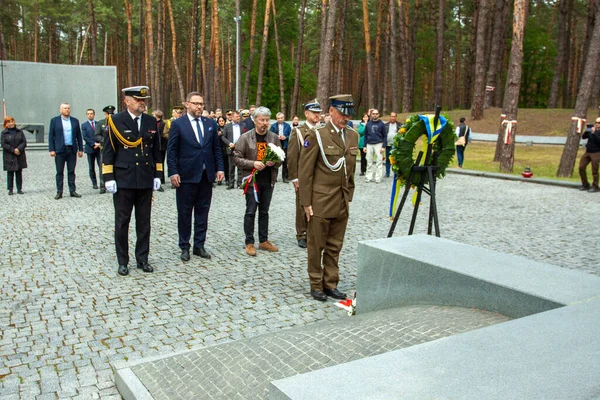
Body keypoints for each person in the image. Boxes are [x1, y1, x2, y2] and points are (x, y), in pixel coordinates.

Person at [299, 94, 358, 302]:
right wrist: (306, 203)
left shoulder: (352, 135)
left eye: (348, 114)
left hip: (341, 200)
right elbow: (305, 172)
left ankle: (330, 283)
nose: (345, 118)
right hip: (320, 200)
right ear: (331, 111)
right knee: (317, 245)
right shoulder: (317, 135)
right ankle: (316, 284)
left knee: (335, 245)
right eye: (342, 113)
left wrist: (349, 193)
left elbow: (350, 169)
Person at [102, 86, 162, 276]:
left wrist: (158, 175)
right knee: (122, 222)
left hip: (144, 178)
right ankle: (123, 261)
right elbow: (108, 151)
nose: (142, 103)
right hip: (123, 180)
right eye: (138, 100)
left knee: (144, 222)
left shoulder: (151, 121)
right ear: (127, 101)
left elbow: (156, 150)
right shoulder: (115, 120)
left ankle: (142, 259)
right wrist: (108, 177)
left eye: (144, 100)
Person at [167, 92, 225, 262]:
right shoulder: (178, 124)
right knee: (184, 213)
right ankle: (184, 246)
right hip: (186, 177)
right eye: (195, 103)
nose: (199, 107)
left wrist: (219, 168)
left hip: (206, 176)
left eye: (201, 103)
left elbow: (216, 148)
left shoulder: (210, 123)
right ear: (187, 104)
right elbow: (172, 151)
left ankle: (199, 245)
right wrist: (173, 172)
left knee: (202, 212)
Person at [233, 106, 281, 256]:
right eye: (261, 120)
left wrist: (275, 162)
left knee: (264, 212)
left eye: (267, 120)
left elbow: (281, 158)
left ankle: (264, 241)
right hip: (252, 181)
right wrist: (252, 163)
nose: (264, 123)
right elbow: (236, 158)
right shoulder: (245, 137)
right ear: (254, 120)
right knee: (250, 211)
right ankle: (249, 242)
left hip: (268, 180)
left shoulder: (274, 137)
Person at [288, 99, 322, 248]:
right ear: (306, 113)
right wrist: (295, 177)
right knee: (302, 204)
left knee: (317, 204)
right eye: (314, 113)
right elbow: (292, 156)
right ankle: (301, 234)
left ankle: (313, 232)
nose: (317, 116)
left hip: (319, 176)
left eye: (319, 113)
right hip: (303, 176)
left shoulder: (322, 130)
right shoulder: (298, 132)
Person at [49, 103, 84, 199]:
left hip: (71, 150)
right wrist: (51, 149)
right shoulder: (55, 121)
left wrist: (80, 149)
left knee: (71, 171)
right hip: (60, 150)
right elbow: (51, 136)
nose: (67, 110)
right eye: (65, 108)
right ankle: (59, 192)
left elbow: (79, 136)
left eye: (68, 108)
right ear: (60, 110)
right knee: (59, 172)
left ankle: (72, 190)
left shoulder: (75, 121)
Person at [2, 116, 27, 195]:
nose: (11, 123)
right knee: (10, 173)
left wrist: (19, 149)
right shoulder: (4, 133)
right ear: (6, 124)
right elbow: (3, 144)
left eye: (12, 121)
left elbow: (24, 142)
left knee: (19, 172)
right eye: (9, 122)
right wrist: (13, 150)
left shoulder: (20, 132)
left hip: (19, 154)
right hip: (9, 155)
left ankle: (19, 188)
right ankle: (10, 189)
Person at [94, 105, 116, 194]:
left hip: (115, 149)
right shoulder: (101, 123)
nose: (110, 115)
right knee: (103, 167)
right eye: (109, 114)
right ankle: (103, 186)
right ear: (105, 114)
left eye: (112, 114)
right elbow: (97, 135)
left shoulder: (117, 122)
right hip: (105, 149)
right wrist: (106, 141)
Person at [222, 110, 245, 189]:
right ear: (232, 117)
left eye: (239, 116)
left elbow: (246, 136)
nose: (238, 118)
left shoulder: (243, 125)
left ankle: (240, 183)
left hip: (240, 149)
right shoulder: (227, 126)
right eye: (237, 116)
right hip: (231, 148)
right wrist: (229, 143)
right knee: (231, 167)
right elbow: (223, 137)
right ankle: (231, 183)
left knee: (240, 167)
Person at [363, 108, 386, 183]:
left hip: (378, 144)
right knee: (369, 161)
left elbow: (384, 136)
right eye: (373, 114)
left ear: (378, 115)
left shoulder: (382, 124)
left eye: (376, 114)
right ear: (371, 115)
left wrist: (383, 146)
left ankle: (378, 177)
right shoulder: (368, 124)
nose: (375, 115)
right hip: (369, 144)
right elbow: (365, 135)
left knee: (379, 161)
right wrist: (364, 146)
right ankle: (368, 177)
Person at [81, 108, 101, 189]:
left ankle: (102, 183)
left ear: (94, 114)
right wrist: (93, 144)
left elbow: (101, 134)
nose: (90, 115)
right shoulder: (84, 125)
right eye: (88, 113)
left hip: (99, 148)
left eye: (91, 113)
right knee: (91, 167)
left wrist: (99, 143)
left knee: (101, 166)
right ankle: (94, 183)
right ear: (86, 115)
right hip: (90, 148)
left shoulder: (98, 124)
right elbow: (85, 137)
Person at [579, 118, 600, 192]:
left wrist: (594, 134)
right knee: (581, 167)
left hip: (596, 153)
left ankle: (595, 186)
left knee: (594, 170)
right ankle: (585, 184)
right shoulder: (592, 130)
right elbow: (584, 137)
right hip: (588, 152)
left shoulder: (596, 132)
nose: (597, 124)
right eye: (596, 122)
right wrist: (587, 130)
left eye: (599, 123)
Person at [270, 112, 291, 183]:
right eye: (278, 118)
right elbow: (270, 135)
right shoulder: (273, 126)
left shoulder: (288, 126)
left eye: (281, 118)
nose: (280, 119)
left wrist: (286, 137)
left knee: (285, 162)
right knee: (275, 161)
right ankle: (274, 177)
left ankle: (285, 177)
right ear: (276, 119)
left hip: (285, 145)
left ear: (284, 118)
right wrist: (276, 137)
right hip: (276, 145)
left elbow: (291, 136)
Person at [152, 109, 166, 191]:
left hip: (162, 146)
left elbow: (163, 135)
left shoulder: (162, 124)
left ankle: (161, 178)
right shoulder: (154, 123)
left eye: (153, 115)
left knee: (160, 162)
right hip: (156, 146)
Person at [215, 116, 229, 186]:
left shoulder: (227, 128)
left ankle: (227, 179)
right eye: (220, 121)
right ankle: (219, 179)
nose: (221, 122)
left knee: (227, 165)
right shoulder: (216, 128)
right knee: (218, 165)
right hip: (218, 148)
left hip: (225, 149)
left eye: (222, 121)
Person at [384, 112, 398, 177]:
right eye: (392, 116)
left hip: (396, 145)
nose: (393, 118)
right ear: (390, 117)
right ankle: (387, 172)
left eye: (394, 116)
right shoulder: (386, 125)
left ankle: (396, 172)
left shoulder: (399, 125)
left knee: (395, 159)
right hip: (388, 145)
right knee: (387, 159)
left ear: (396, 117)